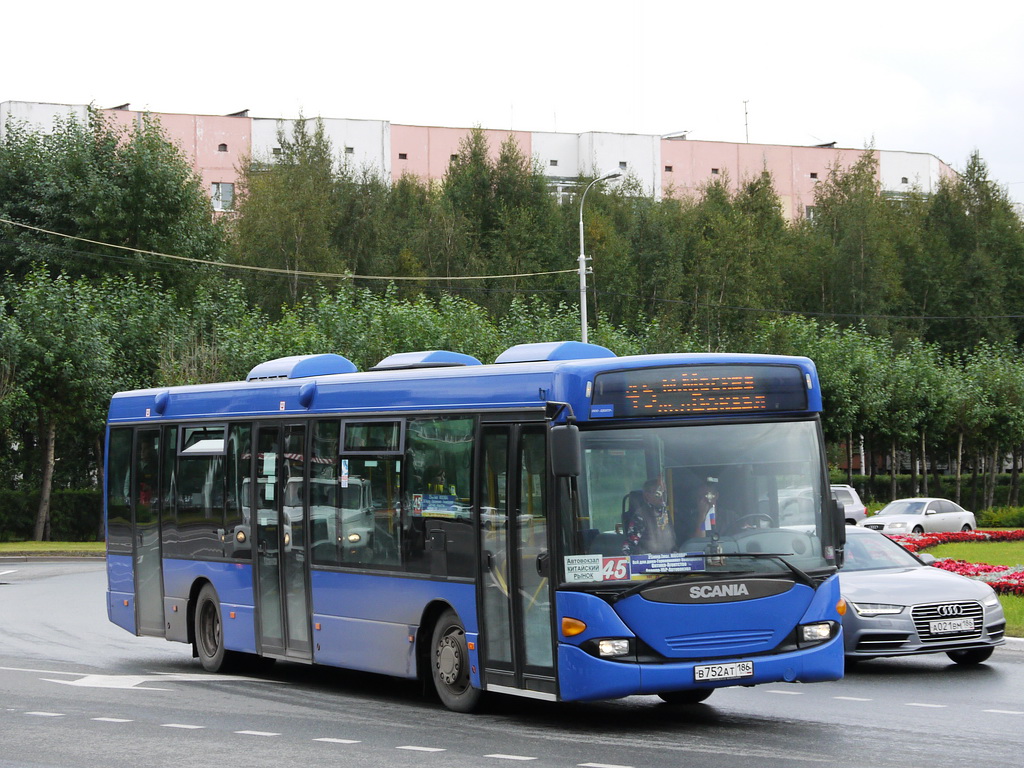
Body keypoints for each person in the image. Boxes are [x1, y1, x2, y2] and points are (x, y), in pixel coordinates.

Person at [621, 478, 675, 555]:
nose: (662, 497)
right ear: (647, 495)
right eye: (658, 493)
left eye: (664, 493)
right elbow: (628, 547)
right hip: (648, 562)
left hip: (670, 561)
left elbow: (672, 543)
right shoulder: (640, 516)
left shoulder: (665, 512)